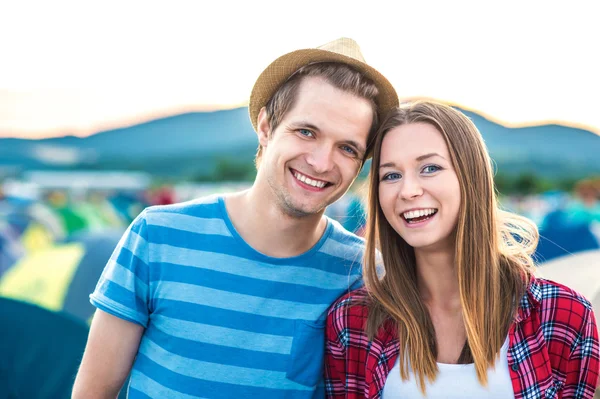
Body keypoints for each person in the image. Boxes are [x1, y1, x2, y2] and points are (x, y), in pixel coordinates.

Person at [71, 37, 398, 399]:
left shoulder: (364, 274)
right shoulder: (157, 236)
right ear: (265, 127)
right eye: (306, 132)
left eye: (347, 148)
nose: (321, 162)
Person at [325, 101, 600, 398]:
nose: (408, 191)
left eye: (430, 168)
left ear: (471, 178)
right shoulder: (352, 322)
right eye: (391, 175)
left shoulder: (562, 316)